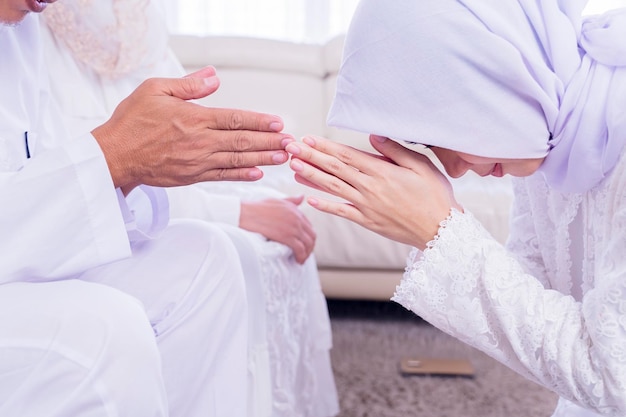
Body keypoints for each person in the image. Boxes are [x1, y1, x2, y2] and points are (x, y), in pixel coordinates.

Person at [284, 0, 626, 416]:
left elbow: (613, 376)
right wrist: (434, 227)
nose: (454, 169)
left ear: (491, 74)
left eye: (447, 128)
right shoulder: (548, 131)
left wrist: (440, 231)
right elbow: (537, 292)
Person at [39, 1, 339, 416]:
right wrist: (232, 213)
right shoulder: (31, 29)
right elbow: (88, 166)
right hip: (84, 223)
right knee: (228, 251)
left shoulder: (142, 27)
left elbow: (180, 139)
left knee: (276, 219)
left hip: (132, 204)